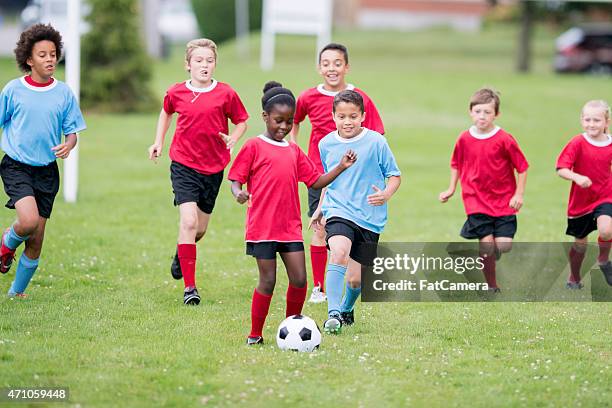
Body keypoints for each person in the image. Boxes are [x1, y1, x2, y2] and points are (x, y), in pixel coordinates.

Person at [228, 81, 356, 345]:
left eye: (289, 122)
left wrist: (341, 167)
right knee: (268, 280)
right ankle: (255, 334)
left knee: (299, 280)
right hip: (262, 228)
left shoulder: (294, 151)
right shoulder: (253, 146)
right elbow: (235, 179)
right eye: (278, 121)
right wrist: (238, 193)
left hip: (290, 228)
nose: (284, 127)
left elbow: (316, 181)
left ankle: (291, 330)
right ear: (265, 117)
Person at [148, 38, 248, 305]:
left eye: (209, 61)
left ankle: (181, 253)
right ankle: (190, 289)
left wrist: (234, 138)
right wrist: (158, 141)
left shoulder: (225, 93)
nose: (204, 65)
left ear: (215, 64)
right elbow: (165, 112)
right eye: (199, 61)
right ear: (187, 65)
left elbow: (241, 121)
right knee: (189, 222)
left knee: (199, 230)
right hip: (183, 165)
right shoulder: (177, 92)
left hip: (214, 168)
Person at [291, 43, 385, 304]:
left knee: (345, 236)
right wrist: (294, 148)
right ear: (319, 67)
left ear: (346, 67)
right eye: (326, 63)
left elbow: (377, 134)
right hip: (319, 174)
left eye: (337, 63)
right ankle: (320, 287)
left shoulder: (360, 98)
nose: (331, 68)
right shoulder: (308, 97)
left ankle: (344, 271)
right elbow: (295, 121)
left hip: (352, 178)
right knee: (319, 227)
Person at [0, 23, 86, 297]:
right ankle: (5, 246)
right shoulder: (13, 90)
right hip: (17, 166)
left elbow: (72, 130)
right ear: (28, 59)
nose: (50, 59)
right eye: (42, 55)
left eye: (53, 53)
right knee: (27, 222)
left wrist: (68, 145)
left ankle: (17, 293)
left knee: (36, 239)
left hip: (47, 171)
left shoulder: (63, 93)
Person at [311, 90, 401, 334]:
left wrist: (386, 194)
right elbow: (328, 179)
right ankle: (333, 314)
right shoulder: (326, 144)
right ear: (333, 117)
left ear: (362, 116)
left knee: (356, 280)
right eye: (341, 116)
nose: (347, 121)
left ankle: (347, 308)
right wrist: (320, 209)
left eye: (353, 116)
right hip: (338, 210)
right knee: (338, 253)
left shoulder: (376, 142)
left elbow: (394, 174)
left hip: (370, 216)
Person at [439, 88, 528, 292]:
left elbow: (522, 167)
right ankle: (491, 285)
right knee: (486, 245)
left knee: (504, 246)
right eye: (478, 111)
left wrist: (519, 194)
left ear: (496, 114)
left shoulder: (505, 139)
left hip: (504, 200)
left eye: (487, 112)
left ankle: (490, 256)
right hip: (475, 199)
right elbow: (456, 163)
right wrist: (451, 188)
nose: (482, 116)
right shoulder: (464, 139)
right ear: (471, 112)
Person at [556, 100, 612, 289]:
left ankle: (603, 260)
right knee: (580, 244)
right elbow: (561, 168)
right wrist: (577, 177)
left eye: (597, 120)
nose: (591, 124)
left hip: (605, 196)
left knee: (606, 230)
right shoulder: (577, 142)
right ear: (581, 120)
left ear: (607, 122)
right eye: (587, 119)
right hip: (580, 202)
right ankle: (574, 277)